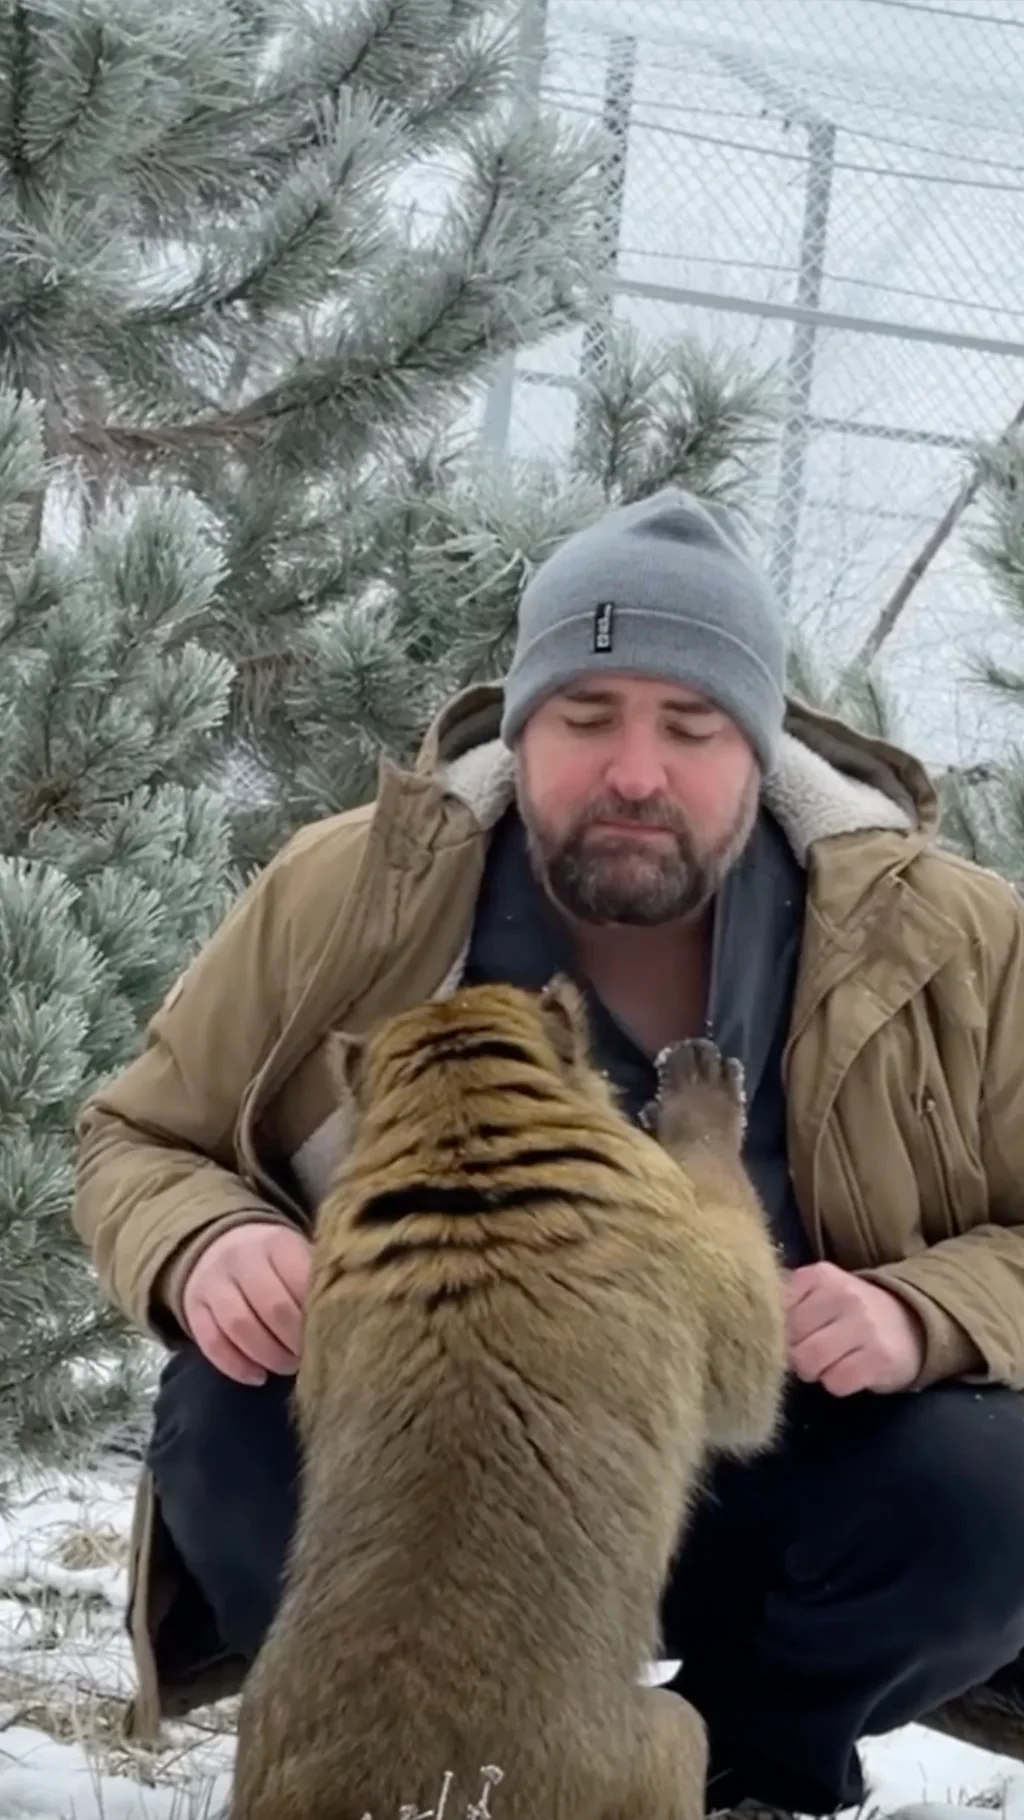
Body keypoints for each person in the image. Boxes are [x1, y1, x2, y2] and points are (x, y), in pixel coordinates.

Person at [73, 486, 1024, 1817]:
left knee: (990, 1490)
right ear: (523, 729)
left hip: (793, 1469)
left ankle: (739, 1766)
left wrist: (924, 1314)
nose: (637, 772)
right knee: (229, 1431)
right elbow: (137, 1136)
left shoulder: (953, 938)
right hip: (440, 1493)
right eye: (588, 717)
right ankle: (409, 1771)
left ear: (760, 749)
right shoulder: (351, 890)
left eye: (691, 727)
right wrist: (203, 1239)